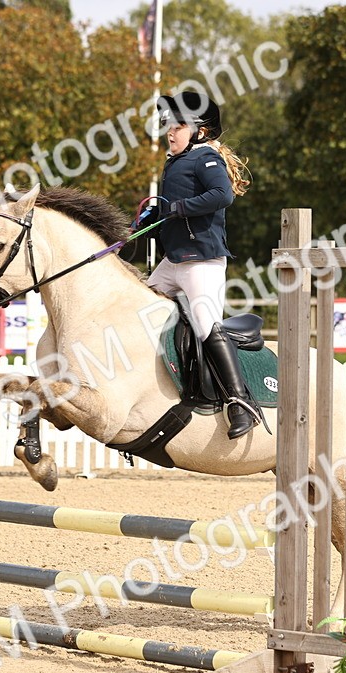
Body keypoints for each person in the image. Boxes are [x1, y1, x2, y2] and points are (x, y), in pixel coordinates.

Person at [138, 91, 256, 439]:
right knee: (137, 308)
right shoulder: (174, 161)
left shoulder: (205, 158)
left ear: (200, 131)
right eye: (168, 125)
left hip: (202, 263)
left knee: (206, 326)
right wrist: (152, 216)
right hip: (173, 262)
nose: (170, 131)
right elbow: (170, 206)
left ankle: (239, 402)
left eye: (178, 126)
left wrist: (181, 208)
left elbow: (223, 195)